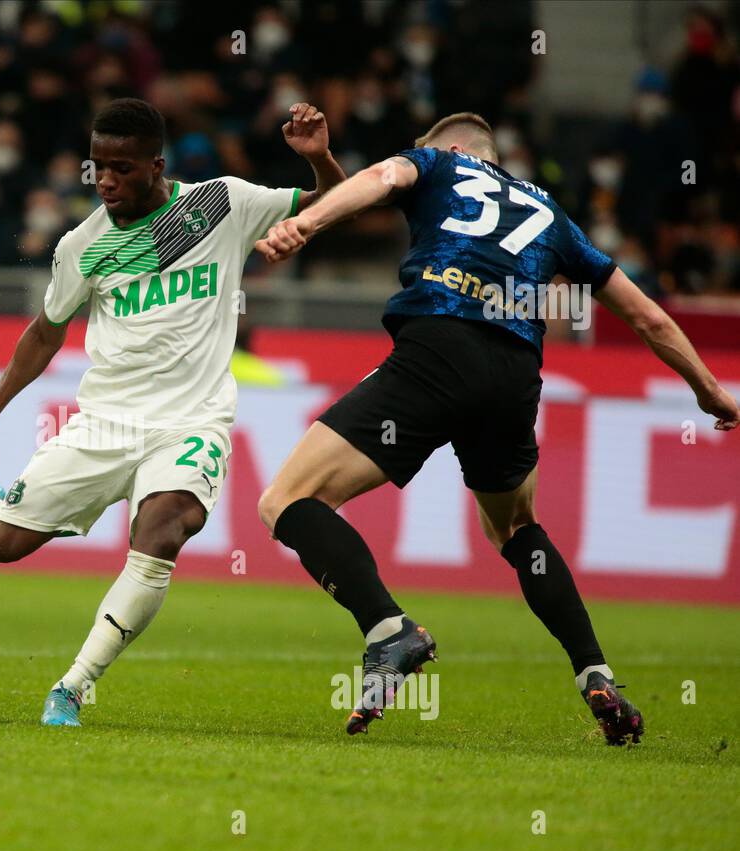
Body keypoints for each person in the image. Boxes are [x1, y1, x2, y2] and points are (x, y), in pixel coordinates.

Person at [254, 112, 739, 744]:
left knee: (286, 500)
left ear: (454, 149)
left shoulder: (437, 163)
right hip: (513, 377)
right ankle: (596, 674)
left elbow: (379, 176)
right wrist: (708, 389)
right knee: (516, 528)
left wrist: (304, 223)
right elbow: (647, 316)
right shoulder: (552, 216)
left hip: (437, 350)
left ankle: (388, 629)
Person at [0, 98, 345, 726]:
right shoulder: (81, 245)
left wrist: (320, 161)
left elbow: (329, 203)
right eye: (97, 168)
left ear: (156, 166)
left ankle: (73, 687)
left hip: (192, 421)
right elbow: (45, 331)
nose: (106, 182)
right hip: (105, 422)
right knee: (3, 546)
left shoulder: (220, 204)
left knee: (164, 532)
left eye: (121, 168)